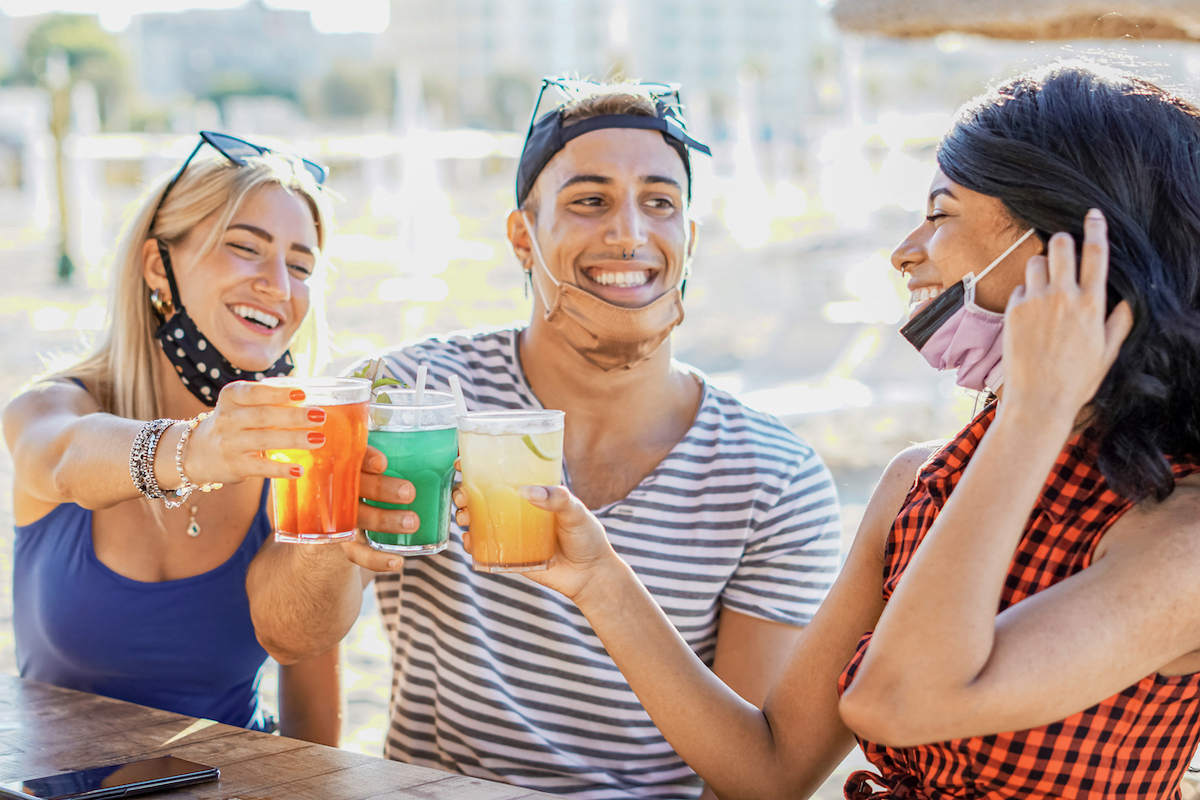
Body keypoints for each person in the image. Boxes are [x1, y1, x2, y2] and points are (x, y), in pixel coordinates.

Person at [495, 61, 1200, 799]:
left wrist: (1035, 406)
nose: (905, 252)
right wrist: (600, 581)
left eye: (940, 213)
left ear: (1070, 251)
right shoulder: (916, 486)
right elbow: (768, 771)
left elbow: (896, 700)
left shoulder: (1180, 535)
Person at [247, 79, 842, 798]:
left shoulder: (775, 476)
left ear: (689, 239)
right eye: (589, 200)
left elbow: (755, 778)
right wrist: (341, 549)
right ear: (523, 237)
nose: (629, 231)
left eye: (660, 202)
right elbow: (285, 633)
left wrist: (604, 587)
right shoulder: (409, 391)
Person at [3, 132, 343, 742]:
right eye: (246, 248)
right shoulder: (50, 407)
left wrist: (337, 541)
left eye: (301, 266)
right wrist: (200, 448)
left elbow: (312, 712)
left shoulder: (300, 448)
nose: (279, 286)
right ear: (159, 264)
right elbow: (63, 459)